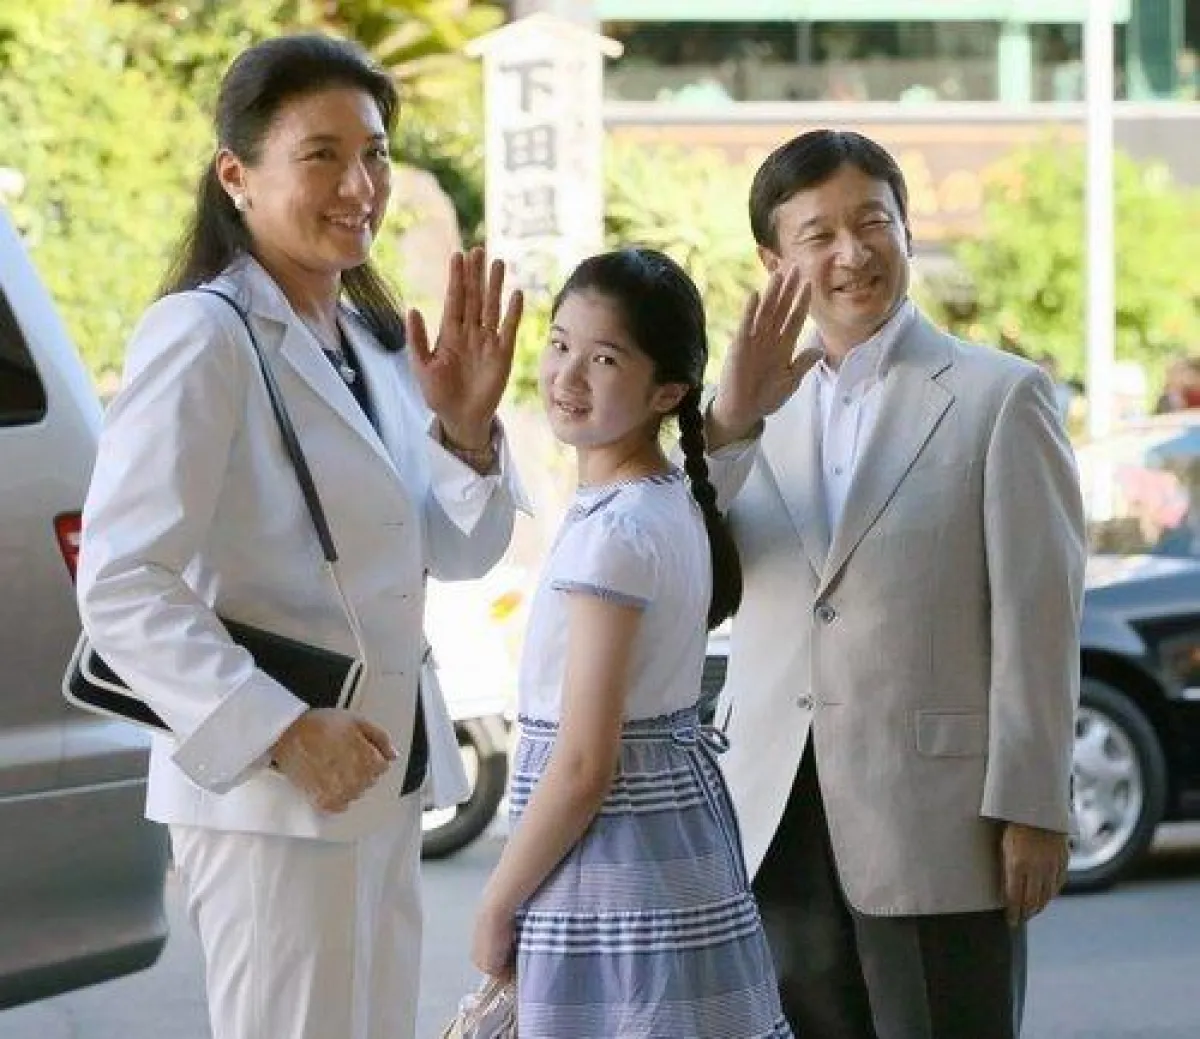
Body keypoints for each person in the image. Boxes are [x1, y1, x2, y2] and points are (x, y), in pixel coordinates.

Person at [75, 34, 525, 1039]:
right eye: (322, 155)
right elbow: (122, 581)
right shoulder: (203, 334)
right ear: (236, 176)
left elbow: (456, 553)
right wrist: (280, 729)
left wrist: (464, 434)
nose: (360, 185)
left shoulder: (372, 343)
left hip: (378, 777)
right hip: (272, 797)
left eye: (374, 154)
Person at [703, 129, 1086, 1038]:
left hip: (939, 819)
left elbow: (1039, 616)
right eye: (819, 234)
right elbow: (694, 571)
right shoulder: (742, 407)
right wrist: (726, 428)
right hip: (777, 807)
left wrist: (1035, 807)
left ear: (907, 229)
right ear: (773, 262)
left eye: (872, 222)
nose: (852, 252)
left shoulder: (1002, 396)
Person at [469, 248, 803, 1037]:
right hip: (669, 846)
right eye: (560, 344)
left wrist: (495, 903)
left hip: (607, 867)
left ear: (667, 391)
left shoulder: (616, 531)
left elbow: (584, 763)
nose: (567, 375)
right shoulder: (671, 503)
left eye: (605, 358)